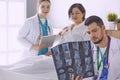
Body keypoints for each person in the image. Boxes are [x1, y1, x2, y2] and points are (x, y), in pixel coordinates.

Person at [72, 15, 120, 80]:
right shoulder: (89, 51)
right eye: (89, 33)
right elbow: (89, 76)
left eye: (94, 31)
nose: (91, 35)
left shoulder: (118, 45)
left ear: (103, 28)